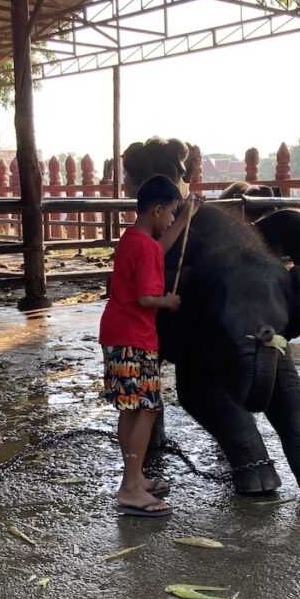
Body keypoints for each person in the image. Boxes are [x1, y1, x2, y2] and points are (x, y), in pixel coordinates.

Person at [99, 174, 201, 518]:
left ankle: (136, 476)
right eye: (171, 212)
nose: (172, 219)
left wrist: (186, 218)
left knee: (131, 408)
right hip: (134, 337)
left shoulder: (135, 237)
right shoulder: (143, 246)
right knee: (145, 408)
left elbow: (160, 249)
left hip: (119, 333)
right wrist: (169, 301)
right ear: (157, 209)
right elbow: (145, 297)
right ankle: (130, 488)